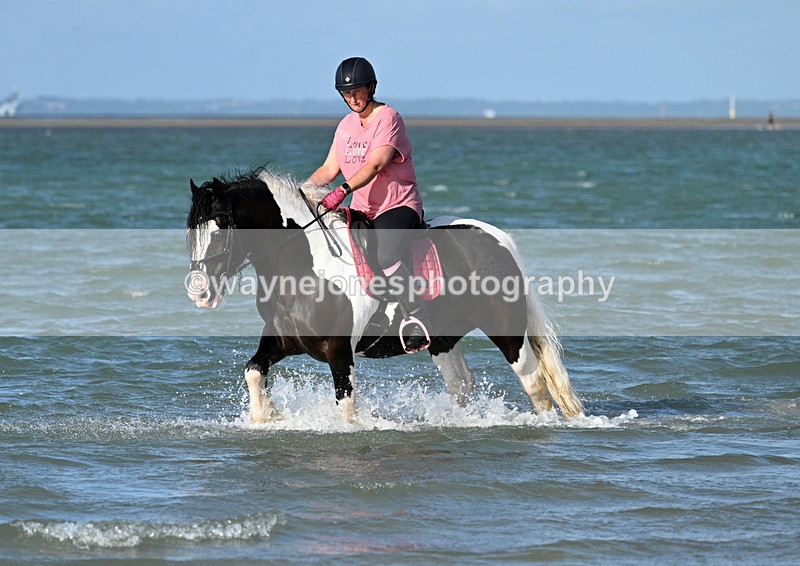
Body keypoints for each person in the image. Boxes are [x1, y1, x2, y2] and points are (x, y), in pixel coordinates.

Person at [305, 56, 431, 351]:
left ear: (371, 87)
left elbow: (376, 164)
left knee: (386, 254)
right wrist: (301, 192)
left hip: (397, 205)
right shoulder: (345, 126)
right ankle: (370, 314)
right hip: (363, 209)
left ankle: (417, 316)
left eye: (357, 91)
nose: (352, 98)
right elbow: (328, 169)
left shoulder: (389, 118)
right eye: (346, 93)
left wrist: (342, 190)